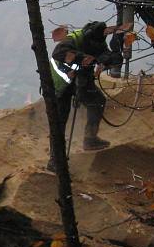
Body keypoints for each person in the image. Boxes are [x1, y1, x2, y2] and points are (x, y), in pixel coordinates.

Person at [47, 21, 122, 171]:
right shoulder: (72, 40)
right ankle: (55, 159)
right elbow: (58, 53)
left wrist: (106, 59)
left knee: (97, 101)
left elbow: (105, 53)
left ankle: (90, 138)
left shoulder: (97, 40)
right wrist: (84, 58)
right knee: (60, 120)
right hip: (60, 83)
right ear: (88, 36)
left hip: (80, 79)